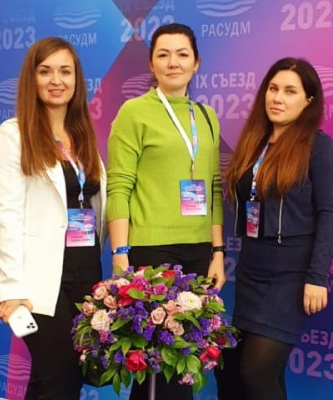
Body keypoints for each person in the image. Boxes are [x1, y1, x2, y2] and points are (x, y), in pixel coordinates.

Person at [106, 23, 226, 400]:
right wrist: (120, 255)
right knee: (154, 370)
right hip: (150, 254)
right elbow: (119, 186)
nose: (173, 62)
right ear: (151, 64)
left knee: (185, 365)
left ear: (196, 63)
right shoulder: (134, 112)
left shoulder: (206, 116)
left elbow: (214, 188)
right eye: (163, 54)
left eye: (182, 54)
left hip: (197, 252)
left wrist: (218, 252)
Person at [217, 57, 333, 400]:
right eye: (273, 89)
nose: (278, 98)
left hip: (291, 274)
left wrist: (317, 277)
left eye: (290, 91)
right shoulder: (254, 143)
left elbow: (329, 214)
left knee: (256, 371)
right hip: (252, 269)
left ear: (308, 101)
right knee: (232, 370)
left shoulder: (318, 146)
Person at [0, 37, 106, 400]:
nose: (56, 80)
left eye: (65, 71)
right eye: (45, 71)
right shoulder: (14, 134)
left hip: (85, 272)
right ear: (32, 78)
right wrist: (12, 289)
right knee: (62, 378)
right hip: (40, 281)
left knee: (48, 380)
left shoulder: (82, 136)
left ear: (76, 79)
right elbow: (7, 215)